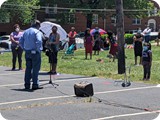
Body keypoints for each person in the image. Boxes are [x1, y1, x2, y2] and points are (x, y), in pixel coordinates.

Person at [19, 20, 43, 90]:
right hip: (35, 52)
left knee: (28, 68)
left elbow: (20, 41)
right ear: (38, 25)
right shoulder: (37, 32)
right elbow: (39, 41)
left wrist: (24, 48)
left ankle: (27, 84)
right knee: (35, 69)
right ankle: (35, 84)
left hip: (27, 52)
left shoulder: (25, 31)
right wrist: (37, 49)